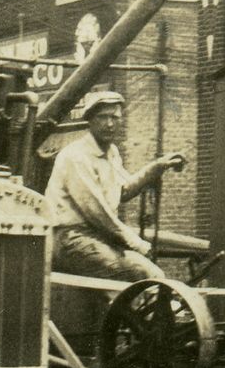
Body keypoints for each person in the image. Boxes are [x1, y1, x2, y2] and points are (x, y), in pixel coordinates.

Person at [45, 89, 185, 282]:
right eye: (102, 117)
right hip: (70, 239)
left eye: (115, 117)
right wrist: (135, 243)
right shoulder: (76, 156)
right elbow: (97, 212)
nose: (110, 124)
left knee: (150, 273)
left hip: (95, 237)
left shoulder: (111, 153)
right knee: (146, 274)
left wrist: (158, 167)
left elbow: (124, 190)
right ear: (89, 120)